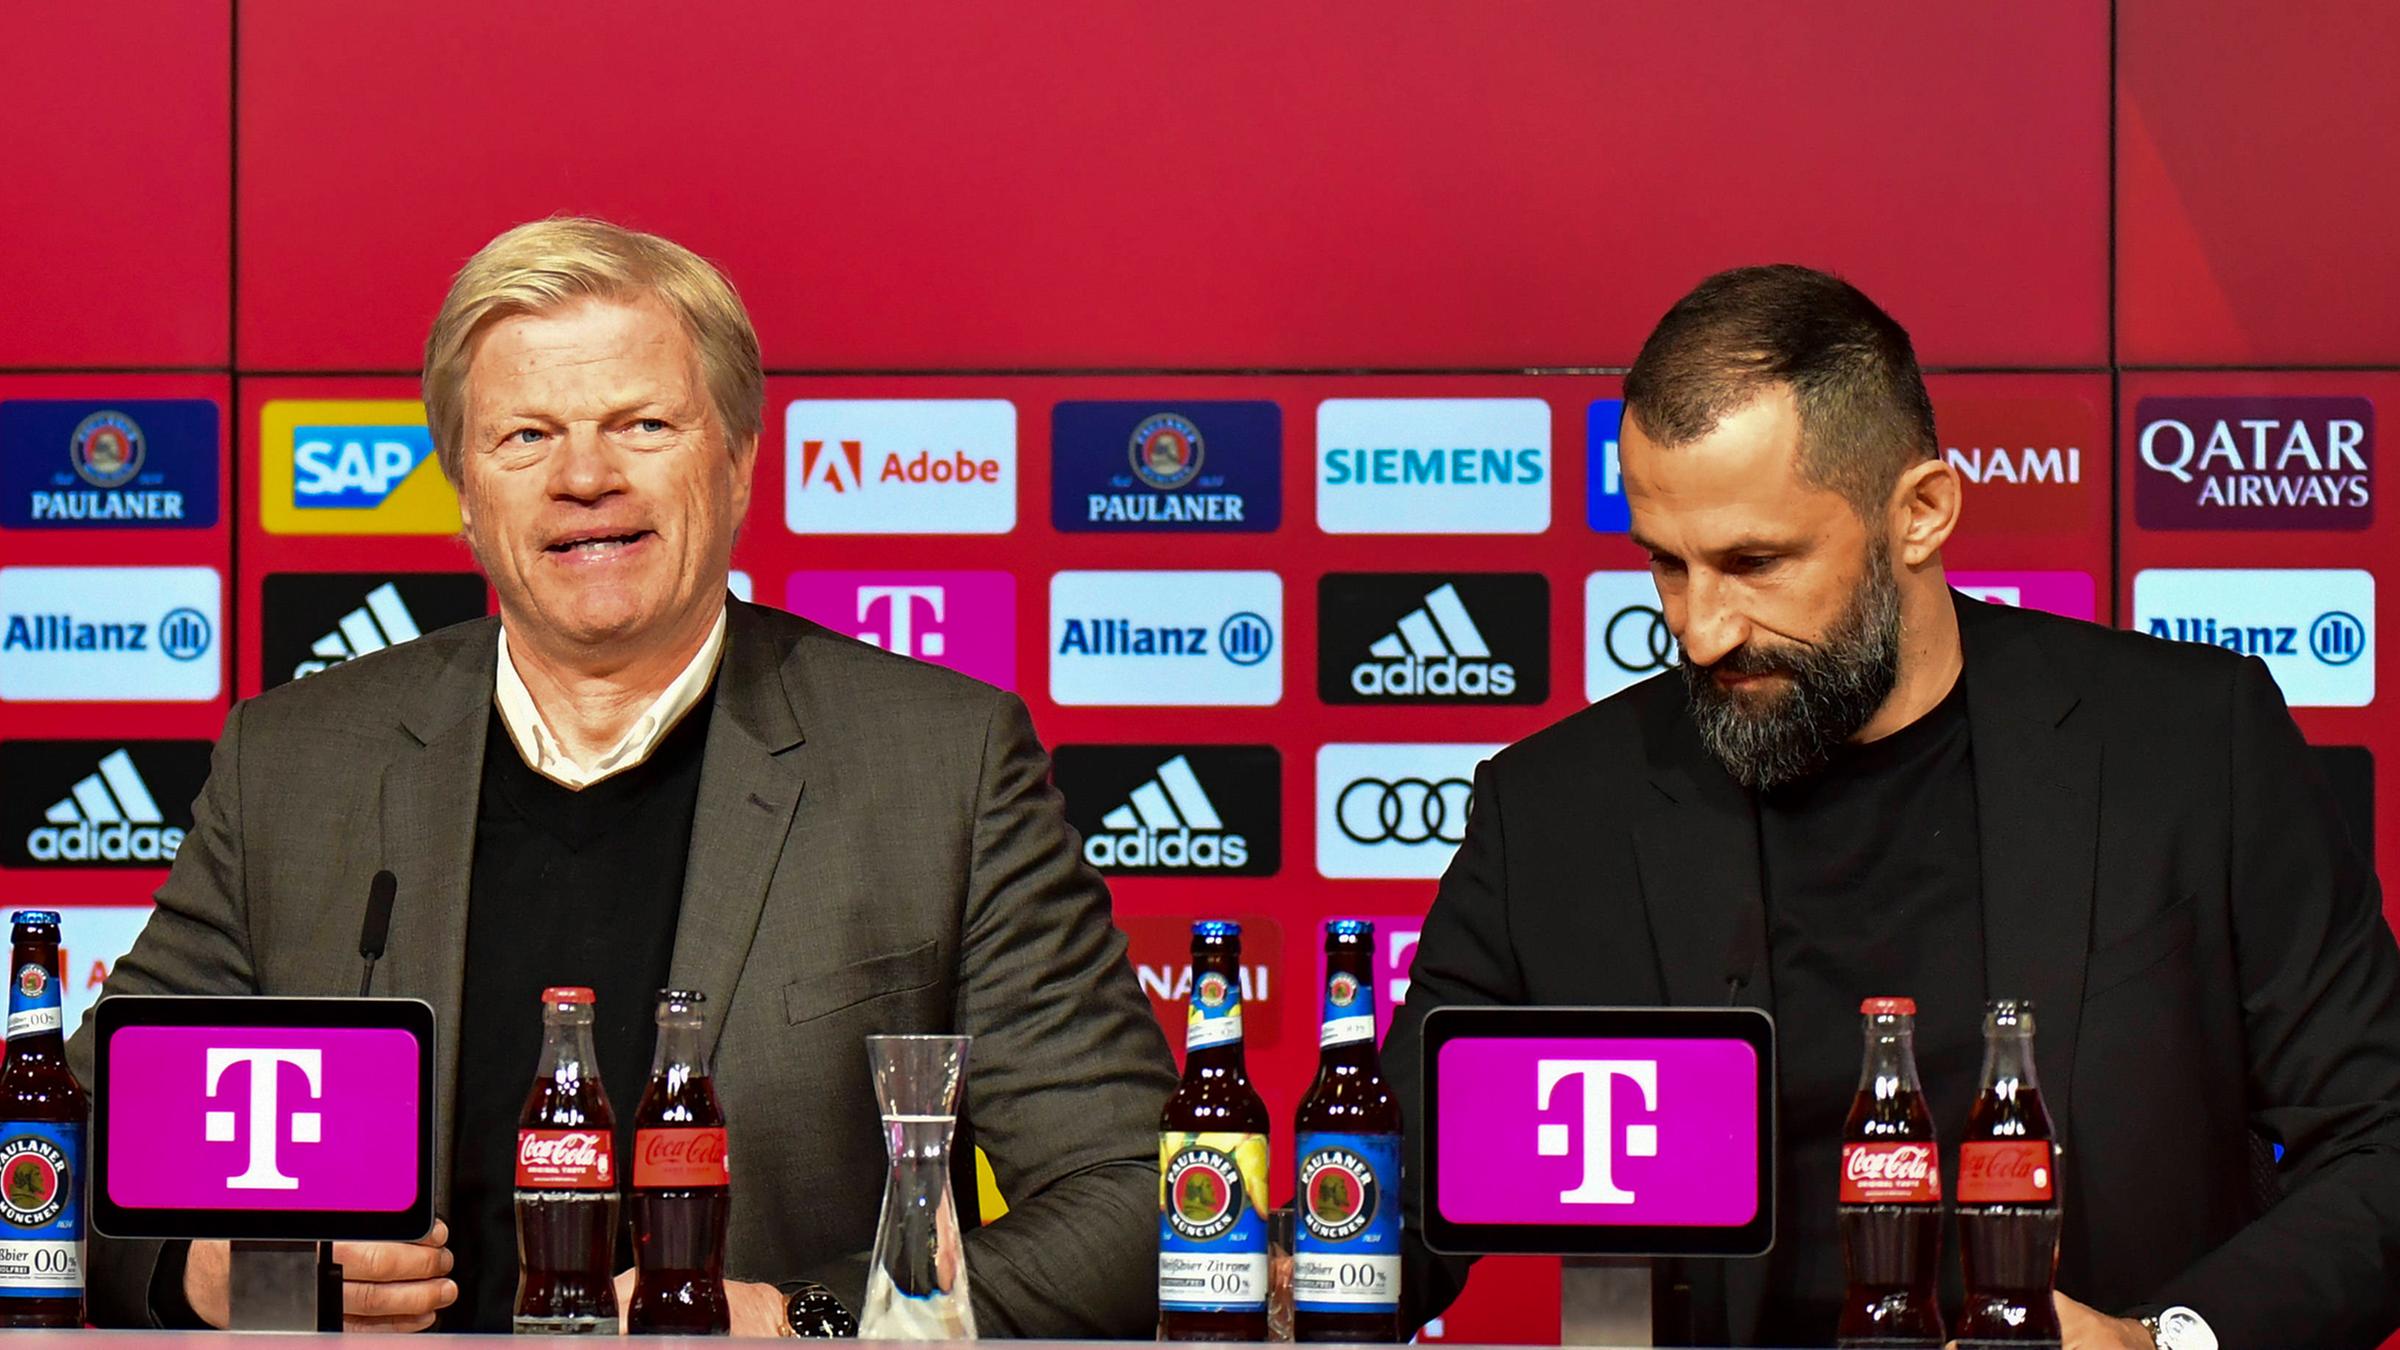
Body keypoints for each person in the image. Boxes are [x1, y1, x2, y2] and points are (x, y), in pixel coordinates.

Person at [65, 217, 1177, 1335]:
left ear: (738, 460)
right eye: (525, 437)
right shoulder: (299, 770)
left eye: (643, 424)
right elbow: (52, 1157)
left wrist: (805, 1322)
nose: (584, 477)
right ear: (463, 490)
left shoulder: (939, 766)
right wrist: (212, 1274)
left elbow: (1141, 1199)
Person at [1385, 265, 2400, 1349]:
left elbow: (2381, 1144)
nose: (1701, 629)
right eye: (1666, 565)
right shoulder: (1555, 815)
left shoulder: (2191, 750)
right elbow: (1378, 1216)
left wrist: (2155, 1345)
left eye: (1756, 562)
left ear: (1920, 512)